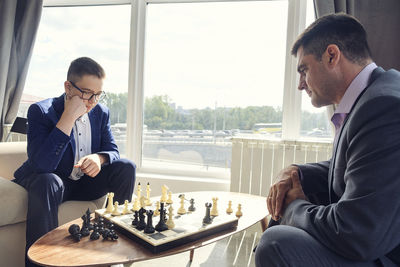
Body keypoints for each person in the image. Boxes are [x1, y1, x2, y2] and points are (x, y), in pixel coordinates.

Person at [255, 13, 400, 266]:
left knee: (276, 243)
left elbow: (358, 233)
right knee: (287, 197)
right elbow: (359, 167)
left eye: (304, 70)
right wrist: (296, 172)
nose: (301, 85)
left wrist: (294, 207)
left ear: (332, 56)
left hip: (385, 254)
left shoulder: (382, 106)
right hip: (377, 241)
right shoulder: (377, 92)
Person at [13, 57, 136, 267]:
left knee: (126, 167)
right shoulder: (40, 112)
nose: (91, 101)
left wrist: (99, 158)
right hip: (53, 184)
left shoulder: (100, 112)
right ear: (68, 87)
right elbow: (41, 165)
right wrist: (68, 117)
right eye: (87, 93)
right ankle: (41, 263)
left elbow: (112, 150)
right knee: (47, 181)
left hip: (84, 182)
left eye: (98, 95)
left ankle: (116, 245)